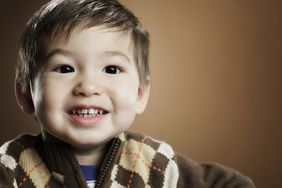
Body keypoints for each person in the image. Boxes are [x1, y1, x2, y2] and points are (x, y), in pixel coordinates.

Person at [0, 0, 255, 187]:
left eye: (111, 69)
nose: (88, 87)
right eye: (64, 68)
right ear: (25, 93)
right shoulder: (11, 165)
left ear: (140, 94)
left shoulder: (157, 164)